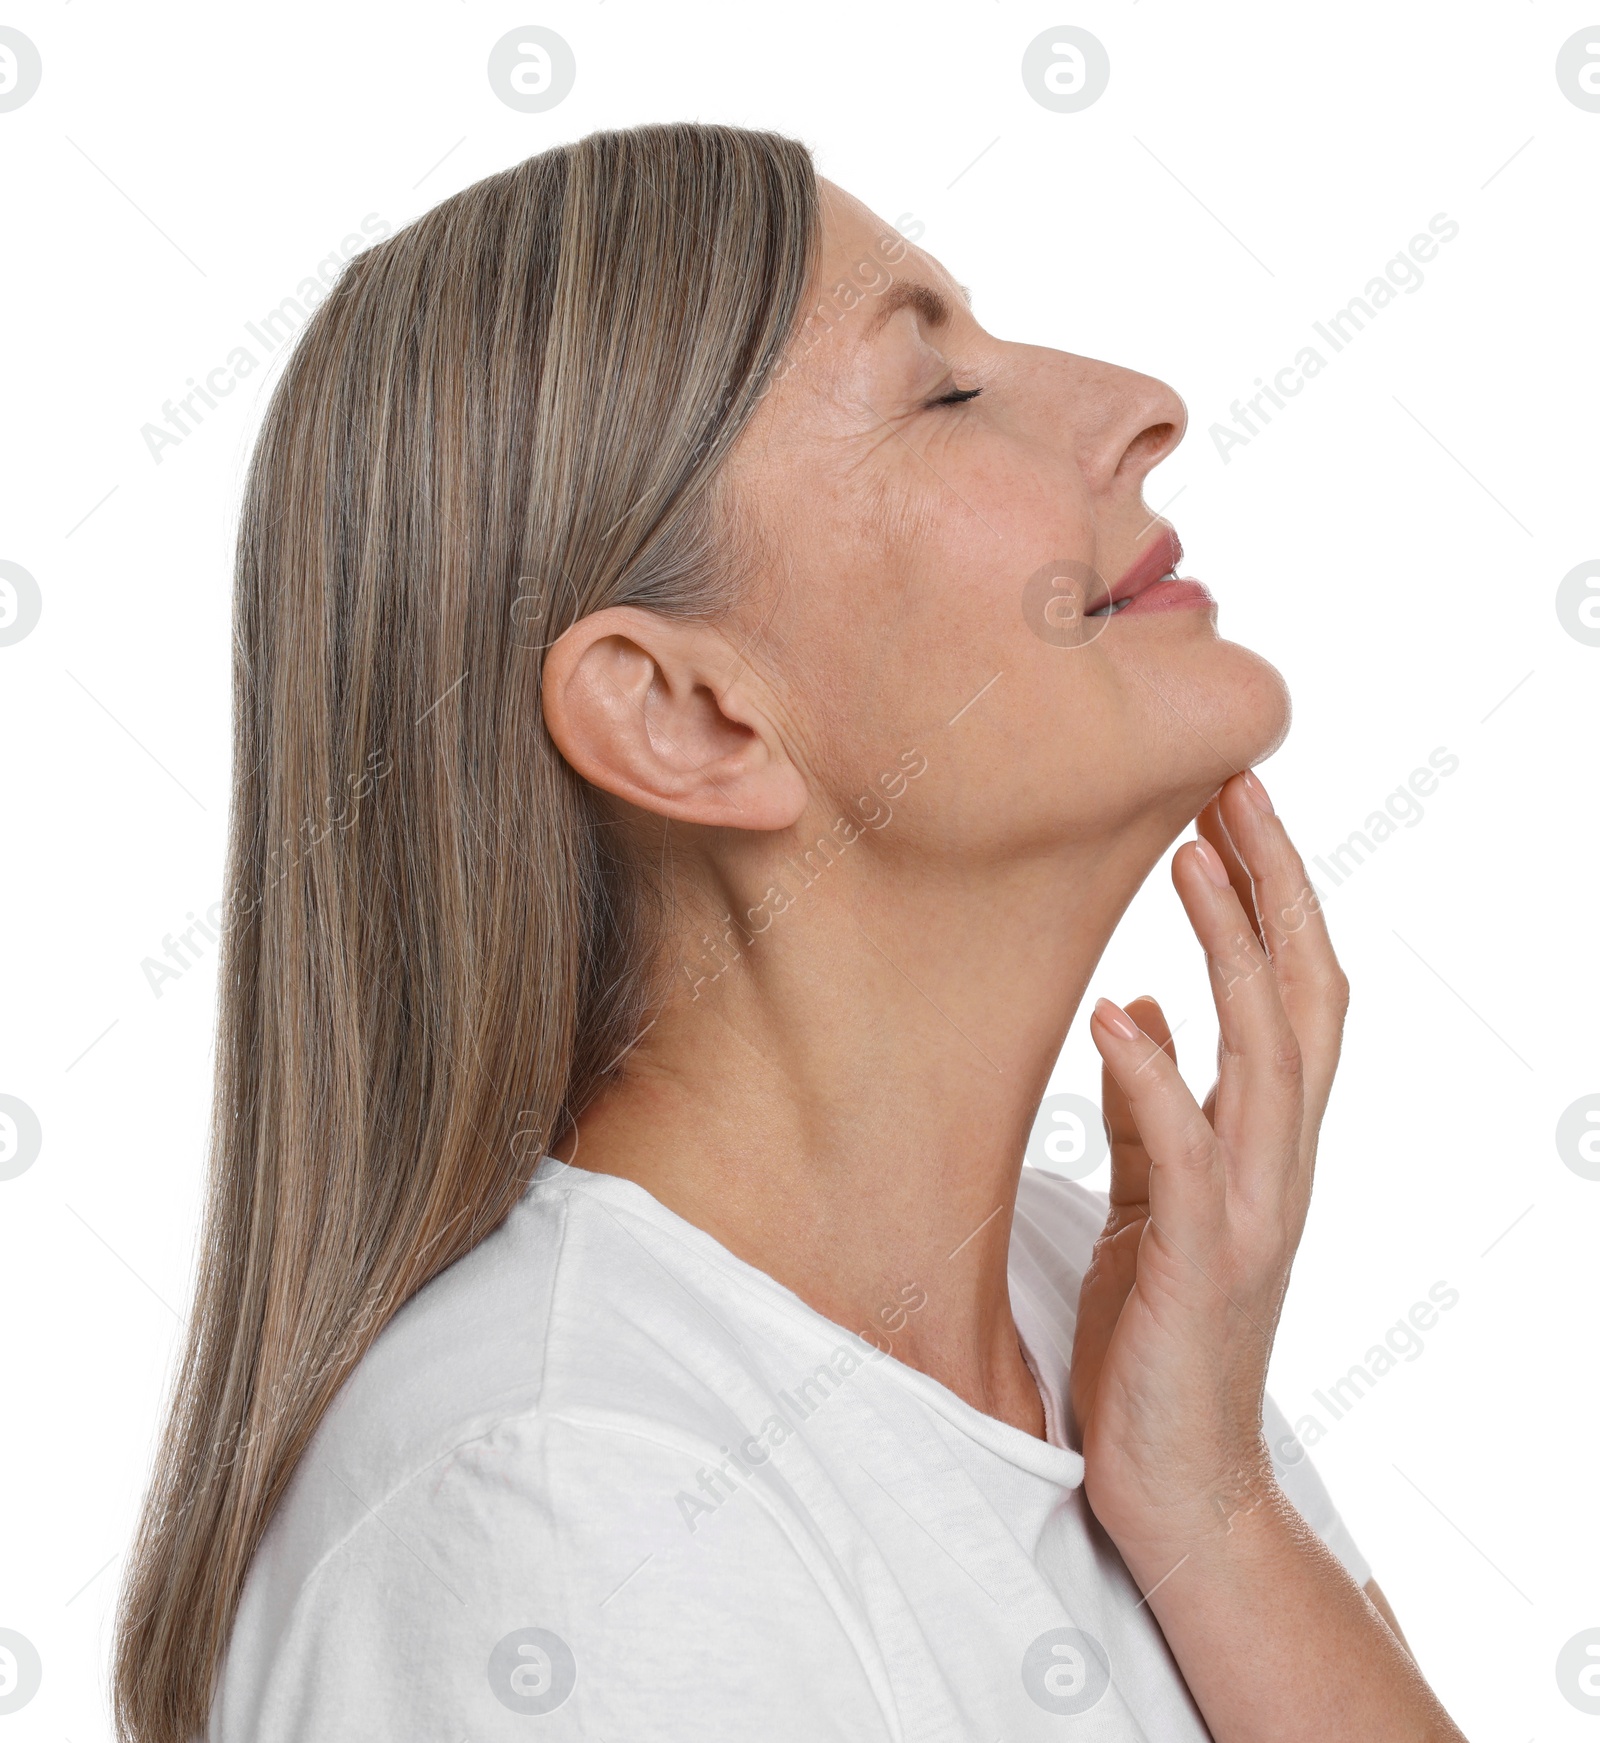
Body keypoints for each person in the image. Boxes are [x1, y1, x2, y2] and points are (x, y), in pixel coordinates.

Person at [114, 121, 1466, 1741]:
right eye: (944, 391)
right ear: (686, 715)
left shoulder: (1091, 1305)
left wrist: (1219, 1515)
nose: (1143, 405)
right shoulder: (573, 1508)